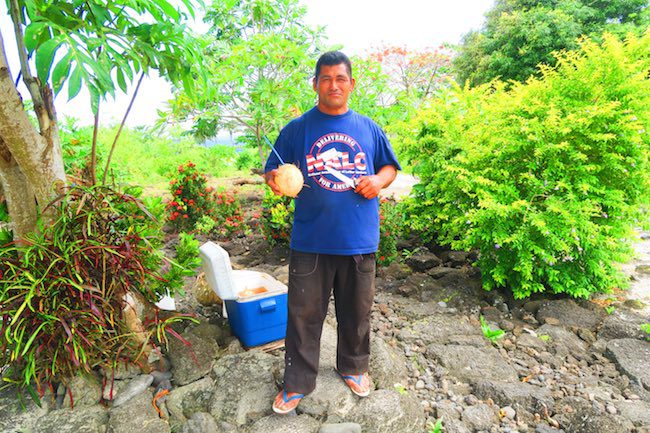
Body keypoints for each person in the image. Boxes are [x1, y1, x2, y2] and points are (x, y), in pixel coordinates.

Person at [264, 51, 400, 414]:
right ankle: (297, 383)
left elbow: (389, 167)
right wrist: (278, 182)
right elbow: (271, 170)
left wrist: (377, 181)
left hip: (358, 239)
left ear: (351, 84)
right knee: (303, 315)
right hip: (311, 240)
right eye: (326, 78)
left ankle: (354, 367)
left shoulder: (369, 128)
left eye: (341, 78)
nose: (334, 85)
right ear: (315, 84)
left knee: (357, 312)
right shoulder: (297, 129)